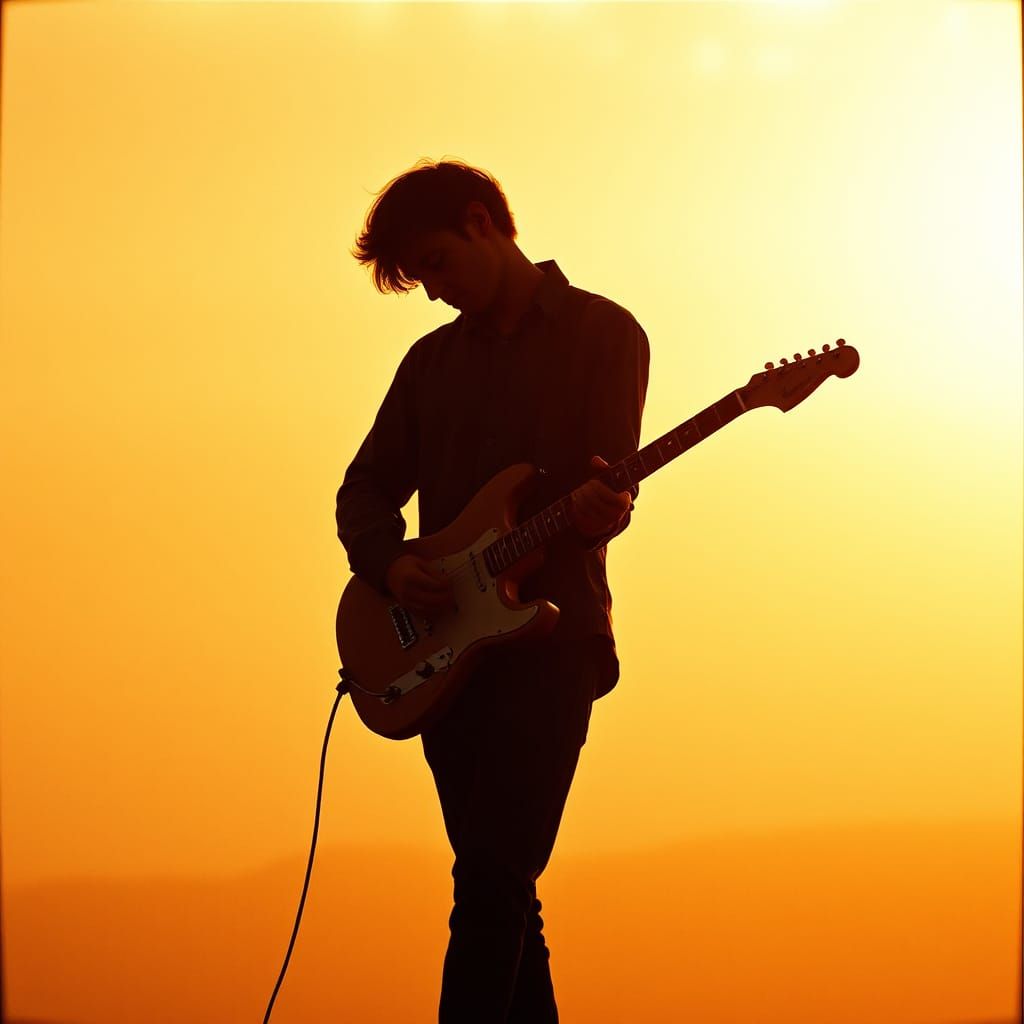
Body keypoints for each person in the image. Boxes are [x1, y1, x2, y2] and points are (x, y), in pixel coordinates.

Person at [336, 158, 649, 1023]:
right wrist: (390, 563)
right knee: (504, 889)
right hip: (448, 658)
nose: (434, 292)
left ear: (483, 223)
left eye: (436, 264)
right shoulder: (430, 364)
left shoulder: (604, 333)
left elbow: (603, 494)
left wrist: (598, 508)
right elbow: (364, 490)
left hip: (553, 645)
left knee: (492, 878)